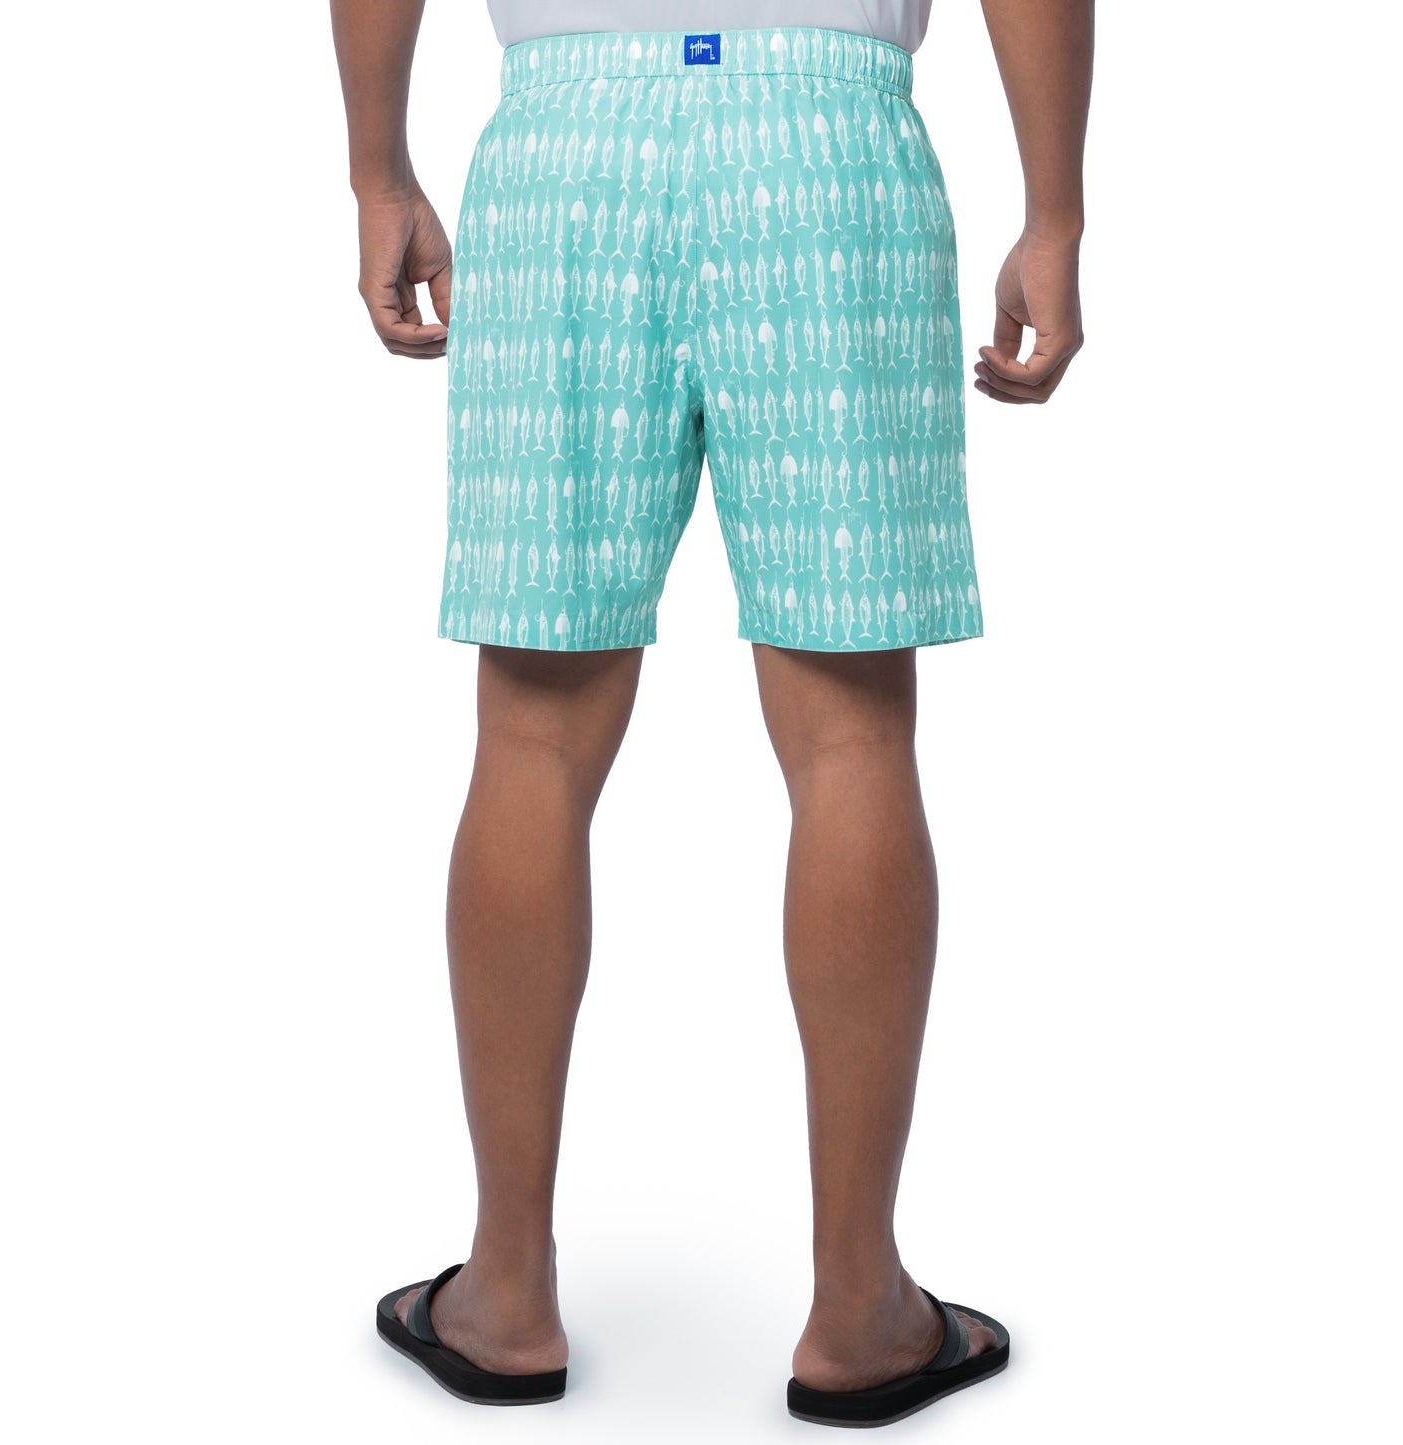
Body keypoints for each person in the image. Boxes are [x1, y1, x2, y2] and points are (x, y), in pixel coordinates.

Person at [331, 0, 1090, 1427]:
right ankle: (860, 1308)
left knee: (532, 735)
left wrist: (377, 169)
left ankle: (503, 1291)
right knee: (851, 734)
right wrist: (1054, 209)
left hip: (564, 146)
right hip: (827, 142)